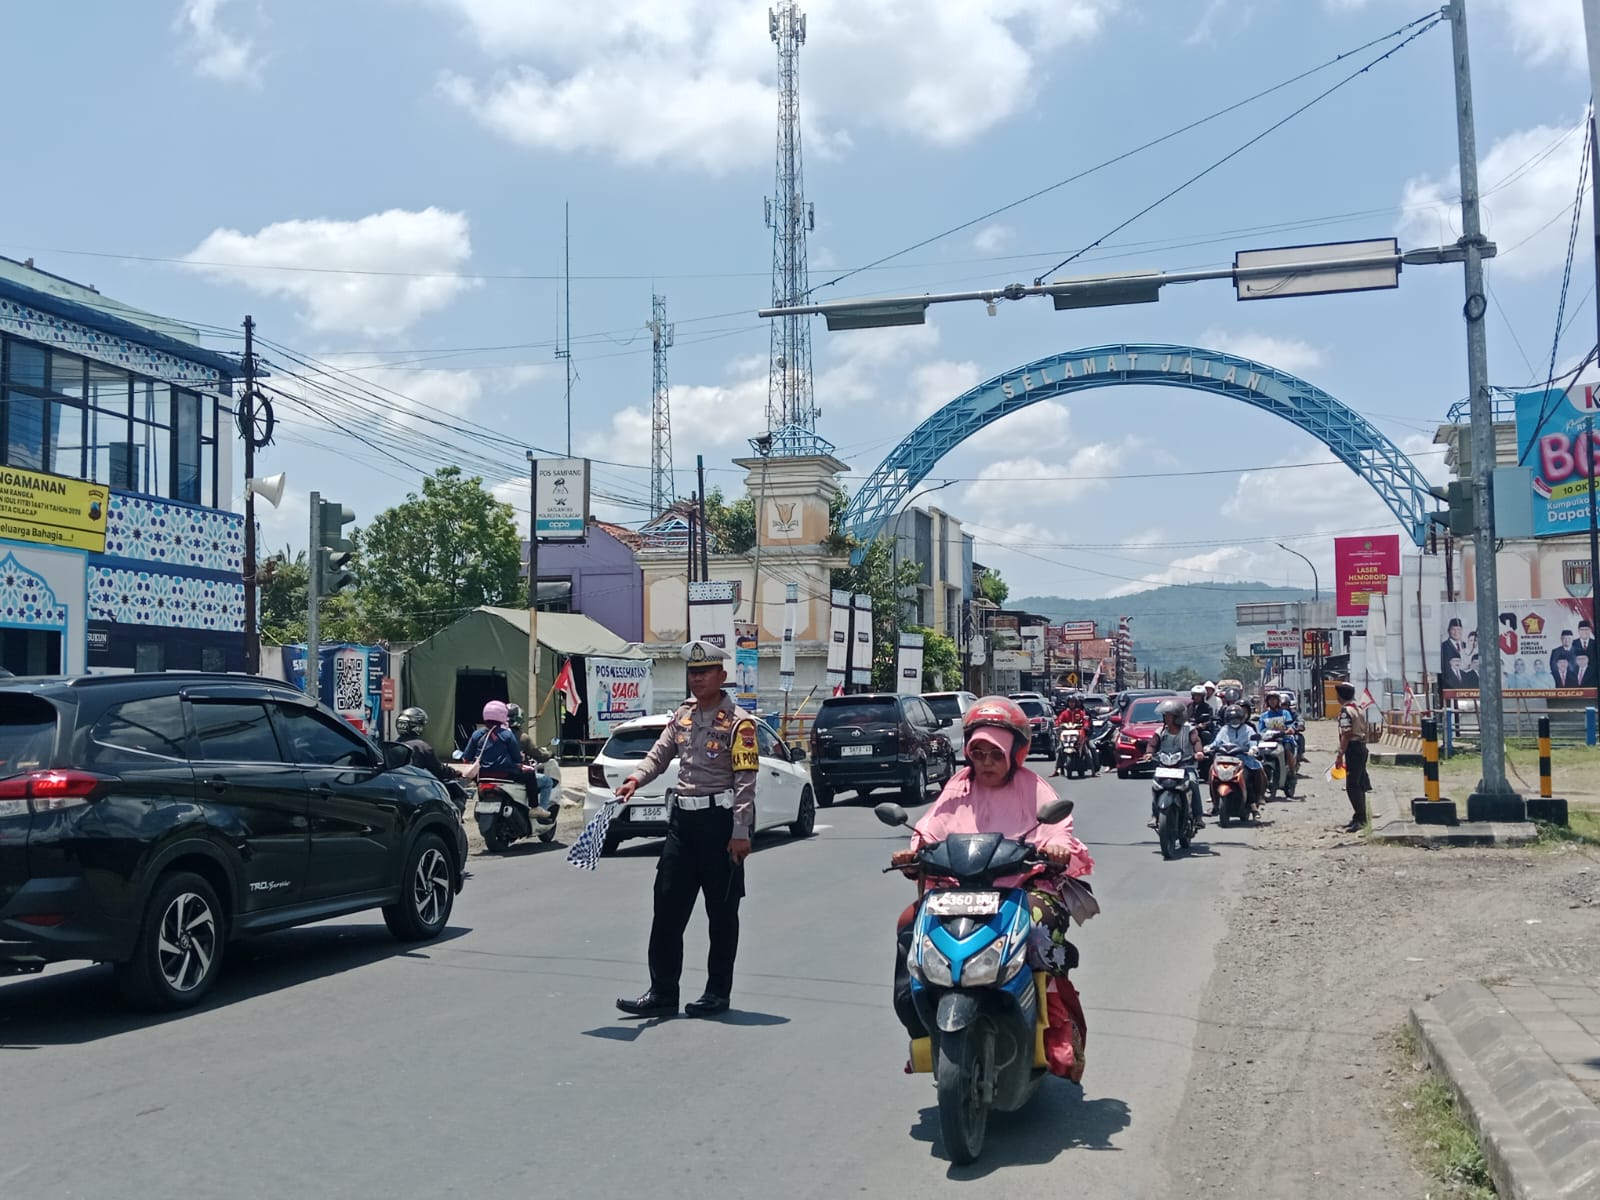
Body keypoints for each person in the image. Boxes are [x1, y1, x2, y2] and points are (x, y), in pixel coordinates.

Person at [888, 696, 1095, 1080]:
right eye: (978, 752)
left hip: (1021, 887)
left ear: (1015, 753)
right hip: (958, 889)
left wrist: (1055, 850)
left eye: (995, 754)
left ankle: (1053, 1028)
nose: (985, 762)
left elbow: (1058, 832)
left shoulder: (1034, 788)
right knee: (908, 925)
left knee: (1038, 928)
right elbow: (930, 827)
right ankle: (918, 1020)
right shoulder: (958, 786)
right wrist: (912, 852)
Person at [614, 641, 758, 1019]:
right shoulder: (683, 716)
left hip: (720, 825)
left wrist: (740, 831)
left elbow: (745, 781)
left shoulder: (739, 724)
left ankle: (716, 993)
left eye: (705, 671)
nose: (697, 678)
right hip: (683, 823)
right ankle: (662, 992)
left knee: (721, 914)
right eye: (692, 673)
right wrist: (634, 780)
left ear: (721, 676)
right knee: (666, 908)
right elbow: (659, 755)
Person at [1144, 698, 1204, 830]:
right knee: (1155, 786)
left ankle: (1198, 817)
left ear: (1178, 717)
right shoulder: (1160, 731)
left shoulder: (1189, 730)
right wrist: (1149, 753)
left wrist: (1198, 752)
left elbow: (1196, 741)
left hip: (1186, 766)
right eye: (1165, 716)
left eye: (1170, 716)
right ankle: (1154, 815)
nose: (1167, 719)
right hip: (1165, 767)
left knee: (1193, 782)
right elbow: (1152, 744)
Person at [1206, 704, 1263, 813]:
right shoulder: (1224, 730)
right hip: (1224, 760)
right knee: (1212, 773)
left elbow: (1253, 742)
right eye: (1232, 719)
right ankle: (1214, 802)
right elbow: (1216, 742)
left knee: (1248, 777)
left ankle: (1253, 805)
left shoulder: (1248, 729)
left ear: (1242, 718)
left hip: (1243, 760)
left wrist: (1253, 748)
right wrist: (1209, 747)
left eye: (1237, 719)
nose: (1234, 721)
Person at [506, 702, 560, 817]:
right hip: (515, 774)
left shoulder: (493, 735)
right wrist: (550, 754)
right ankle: (540, 810)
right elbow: (539, 755)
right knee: (547, 781)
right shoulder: (522, 738)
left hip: (498, 775)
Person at [1334, 681, 1373, 832]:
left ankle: (1361, 818)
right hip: (1362, 747)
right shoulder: (1359, 708)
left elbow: (1346, 734)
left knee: (1352, 785)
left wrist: (1340, 754)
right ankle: (1359, 816)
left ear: (1341, 696)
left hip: (1353, 748)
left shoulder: (1345, 711)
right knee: (1360, 783)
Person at [396, 706, 452, 783]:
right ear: (417, 727)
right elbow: (439, 770)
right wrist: (453, 772)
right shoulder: (421, 747)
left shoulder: (394, 744)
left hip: (398, 783)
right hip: (415, 786)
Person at [1257, 692, 1300, 783]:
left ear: (1278, 701)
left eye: (1274, 699)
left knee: (1287, 750)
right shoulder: (1263, 716)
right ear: (1267, 702)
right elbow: (1260, 730)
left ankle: (1292, 772)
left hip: (1284, 739)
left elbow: (1290, 725)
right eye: (1270, 700)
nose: (1272, 701)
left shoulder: (1285, 713)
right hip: (1268, 741)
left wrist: (1290, 729)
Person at [1051, 696, 1090, 777]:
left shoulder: (1080, 712)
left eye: (1073, 702)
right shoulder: (1065, 713)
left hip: (1079, 735)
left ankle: (1093, 770)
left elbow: (1085, 721)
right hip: (1067, 736)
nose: (1072, 704)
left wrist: (1086, 726)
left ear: (1076, 703)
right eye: (1070, 702)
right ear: (1068, 703)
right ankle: (1056, 770)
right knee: (1060, 749)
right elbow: (1059, 720)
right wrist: (1057, 725)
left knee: (1088, 750)